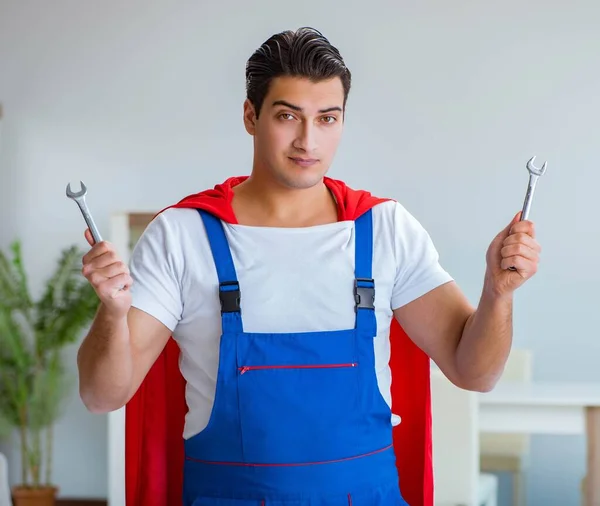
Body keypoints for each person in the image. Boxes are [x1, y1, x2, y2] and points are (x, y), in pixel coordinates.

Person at [77, 27, 541, 506]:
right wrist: (111, 313)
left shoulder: (384, 229)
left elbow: (476, 373)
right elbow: (101, 395)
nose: (308, 140)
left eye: (327, 118)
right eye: (287, 116)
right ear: (250, 116)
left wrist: (497, 293)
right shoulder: (183, 235)